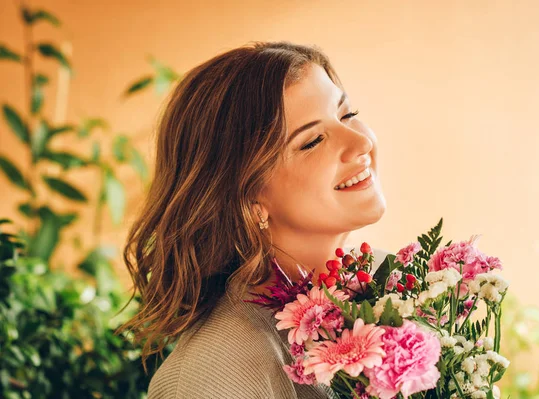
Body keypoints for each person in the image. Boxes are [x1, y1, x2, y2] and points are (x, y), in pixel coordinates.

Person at [120, 41, 387, 398]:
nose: (359, 143)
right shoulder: (220, 370)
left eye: (347, 115)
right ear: (246, 195)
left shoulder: (389, 287)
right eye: (311, 141)